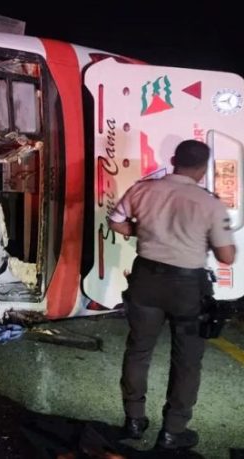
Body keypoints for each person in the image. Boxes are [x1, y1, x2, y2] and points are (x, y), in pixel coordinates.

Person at [108, 140, 236, 450]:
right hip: (187, 290)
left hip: (145, 280)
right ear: (203, 168)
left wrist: (143, 232)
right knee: (187, 361)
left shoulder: (142, 189)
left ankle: (134, 420)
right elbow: (227, 257)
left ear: (174, 159)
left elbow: (116, 222)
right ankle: (172, 432)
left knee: (138, 351)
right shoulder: (209, 204)